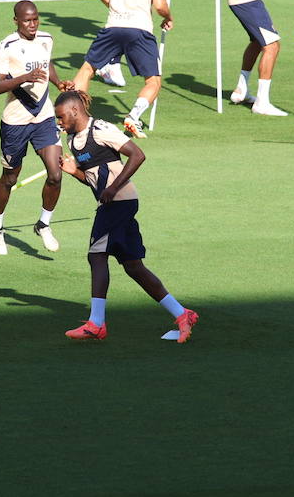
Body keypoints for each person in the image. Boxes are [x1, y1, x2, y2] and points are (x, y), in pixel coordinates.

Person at [54, 91, 197, 343]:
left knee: (96, 255)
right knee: (133, 266)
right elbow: (94, 182)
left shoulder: (101, 129)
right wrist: (73, 172)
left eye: (61, 116)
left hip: (120, 201)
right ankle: (182, 313)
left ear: (75, 110)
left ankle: (97, 324)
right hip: (114, 202)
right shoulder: (74, 140)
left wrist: (113, 187)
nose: (59, 122)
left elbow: (138, 155)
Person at [72, 0, 173, 138]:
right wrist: (168, 17)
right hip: (140, 29)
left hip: (114, 26)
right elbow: (160, 5)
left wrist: (118, 8)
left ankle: (74, 117)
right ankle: (133, 117)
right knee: (153, 81)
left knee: (87, 69)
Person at [0, 0, 71, 255]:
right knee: (10, 178)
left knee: (56, 173)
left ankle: (44, 224)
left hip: (43, 116)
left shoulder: (46, 38)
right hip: (16, 121)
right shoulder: (7, 46)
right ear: (16, 21)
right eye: (26, 20)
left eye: (35, 19)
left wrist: (57, 82)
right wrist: (24, 78)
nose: (32, 24)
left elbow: (47, 63)